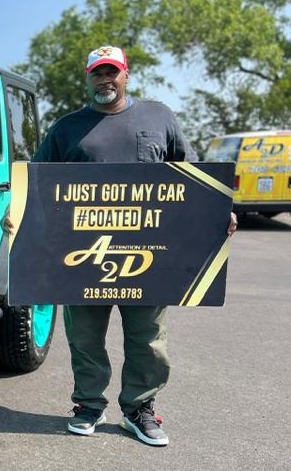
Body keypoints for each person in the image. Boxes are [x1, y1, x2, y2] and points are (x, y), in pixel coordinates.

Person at [23, 45, 238, 446]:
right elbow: (37, 181)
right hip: (84, 256)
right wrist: (16, 214)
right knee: (85, 336)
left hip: (149, 257)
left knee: (148, 337)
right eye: (97, 73)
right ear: (88, 78)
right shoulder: (68, 128)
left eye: (112, 72)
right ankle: (88, 405)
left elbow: (192, 175)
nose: (105, 80)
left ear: (126, 75)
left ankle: (138, 410)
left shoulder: (159, 116)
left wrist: (218, 212)